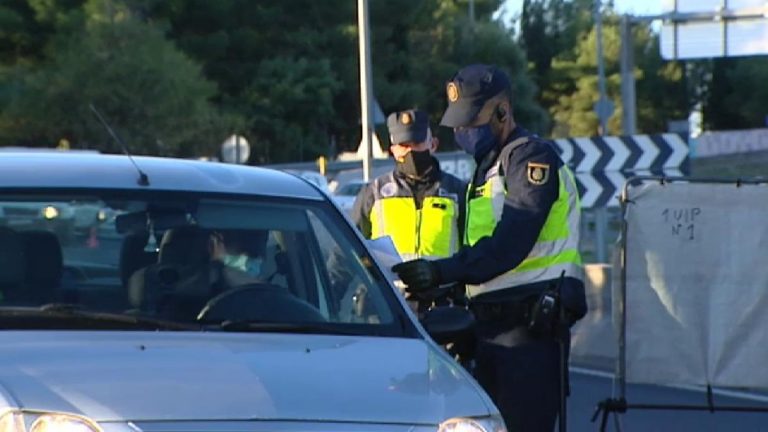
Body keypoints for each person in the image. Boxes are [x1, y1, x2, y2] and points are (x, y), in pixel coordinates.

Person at [391, 64, 588, 432]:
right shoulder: (486, 169)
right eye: (459, 124)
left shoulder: (531, 159)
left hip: (529, 331)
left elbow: (509, 245)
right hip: (490, 329)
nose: (464, 131)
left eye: (471, 121)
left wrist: (441, 270)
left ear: (502, 112)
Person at [351, 108, 466, 262]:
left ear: (433, 144)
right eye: (404, 145)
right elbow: (349, 251)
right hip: (390, 286)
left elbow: (471, 252)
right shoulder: (374, 193)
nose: (411, 151)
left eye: (417, 143)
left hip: (443, 285)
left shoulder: (456, 191)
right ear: (393, 151)